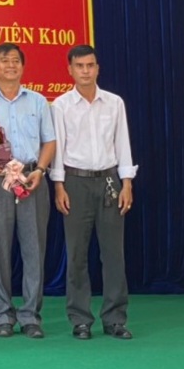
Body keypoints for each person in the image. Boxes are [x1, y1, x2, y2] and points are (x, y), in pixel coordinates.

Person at [51, 44, 137, 340]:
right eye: (79, 66)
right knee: (76, 254)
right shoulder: (60, 105)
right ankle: (80, 319)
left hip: (110, 181)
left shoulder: (114, 103)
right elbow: (58, 147)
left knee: (114, 254)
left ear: (98, 68)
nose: (85, 71)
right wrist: (59, 185)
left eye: (90, 65)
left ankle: (115, 319)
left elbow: (122, 143)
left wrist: (127, 182)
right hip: (75, 182)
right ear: (70, 70)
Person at [0, 43, 56, 339]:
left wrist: (40, 170)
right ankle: (3, 315)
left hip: (32, 179)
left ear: (23, 66)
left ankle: (31, 316)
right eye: (4, 61)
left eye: (16, 60)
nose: (10, 65)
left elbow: (49, 141)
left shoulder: (38, 101)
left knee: (34, 250)